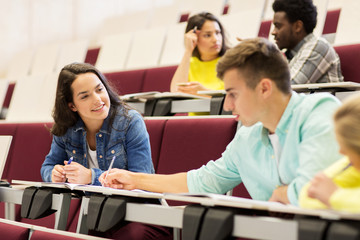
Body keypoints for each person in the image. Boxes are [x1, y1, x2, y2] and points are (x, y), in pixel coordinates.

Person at [100, 38, 342, 206]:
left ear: (264, 88)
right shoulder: (247, 137)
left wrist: (285, 193)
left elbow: (314, 194)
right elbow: (202, 181)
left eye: (233, 93)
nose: (227, 105)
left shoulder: (321, 113)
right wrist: (134, 180)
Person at [40, 63, 171, 239]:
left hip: (143, 216)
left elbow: (141, 180)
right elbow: (48, 166)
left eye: (99, 89)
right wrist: (54, 175)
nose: (98, 99)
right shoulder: (66, 129)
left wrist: (91, 177)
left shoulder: (130, 122)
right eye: (85, 96)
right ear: (72, 106)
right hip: (101, 217)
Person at [299, 94, 360, 213]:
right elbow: (308, 195)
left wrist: (334, 196)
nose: (341, 152)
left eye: (345, 148)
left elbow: (326, 194)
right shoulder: (352, 164)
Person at [271, 0, 343, 84]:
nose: (273, 32)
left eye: (278, 26)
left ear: (298, 26)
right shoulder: (291, 54)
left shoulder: (318, 47)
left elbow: (286, 89)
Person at [170, 12, 229, 96]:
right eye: (208, 35)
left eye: (217, 33)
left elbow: (234, 98)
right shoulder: (189, 63)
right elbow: (176, 91)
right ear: (195, 38)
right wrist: (188, 50)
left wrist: (202, 92)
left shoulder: (232, 62)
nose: (216, 39)